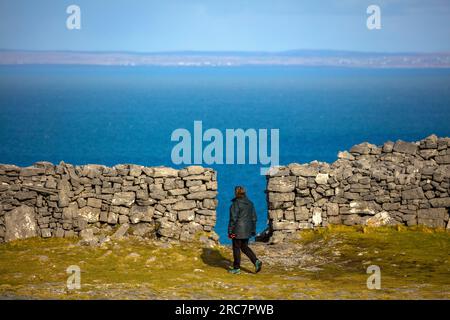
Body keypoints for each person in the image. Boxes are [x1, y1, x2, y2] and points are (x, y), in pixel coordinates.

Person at [227, 186, 262, 274]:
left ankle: (236, 268)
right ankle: (256, 261)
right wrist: (253, 230)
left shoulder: (236, 204)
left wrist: (230, 231)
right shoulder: (250, 203)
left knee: (236, 248)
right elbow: (254, 218)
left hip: (237, 231)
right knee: (244, 247)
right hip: (247, 230)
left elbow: (233, 219)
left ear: (236, 193)